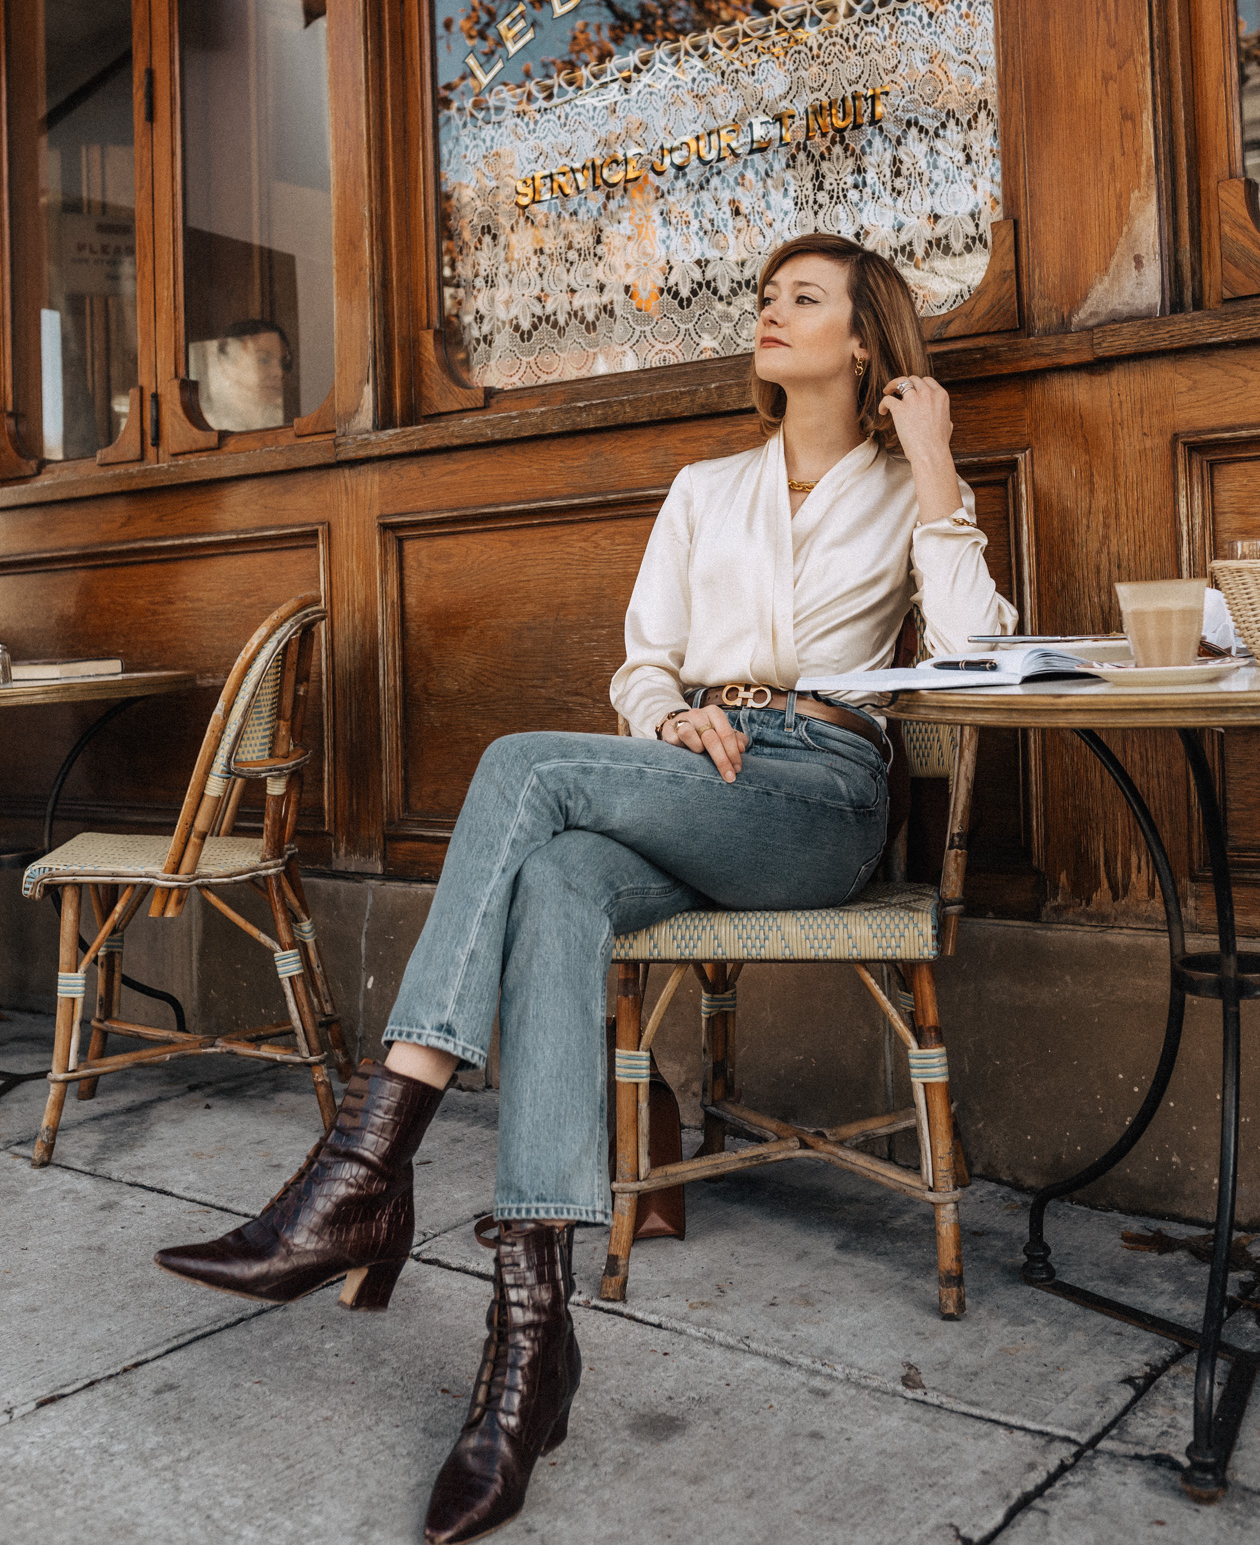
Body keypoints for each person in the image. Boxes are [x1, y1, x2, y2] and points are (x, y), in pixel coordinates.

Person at [153, 233, 1017, 1543]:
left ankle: (361, 1171)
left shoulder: (909, 486)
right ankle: (528, 1340)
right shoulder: (704, 484)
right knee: (553, 877)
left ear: (864, 341)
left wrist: (940, 454)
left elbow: (977, 657)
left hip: (822, 793)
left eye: (806, 298)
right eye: (767, 293)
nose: (772, 312)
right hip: (691, 775)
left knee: (515, 768)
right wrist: (669, 719)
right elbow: (642, 662)